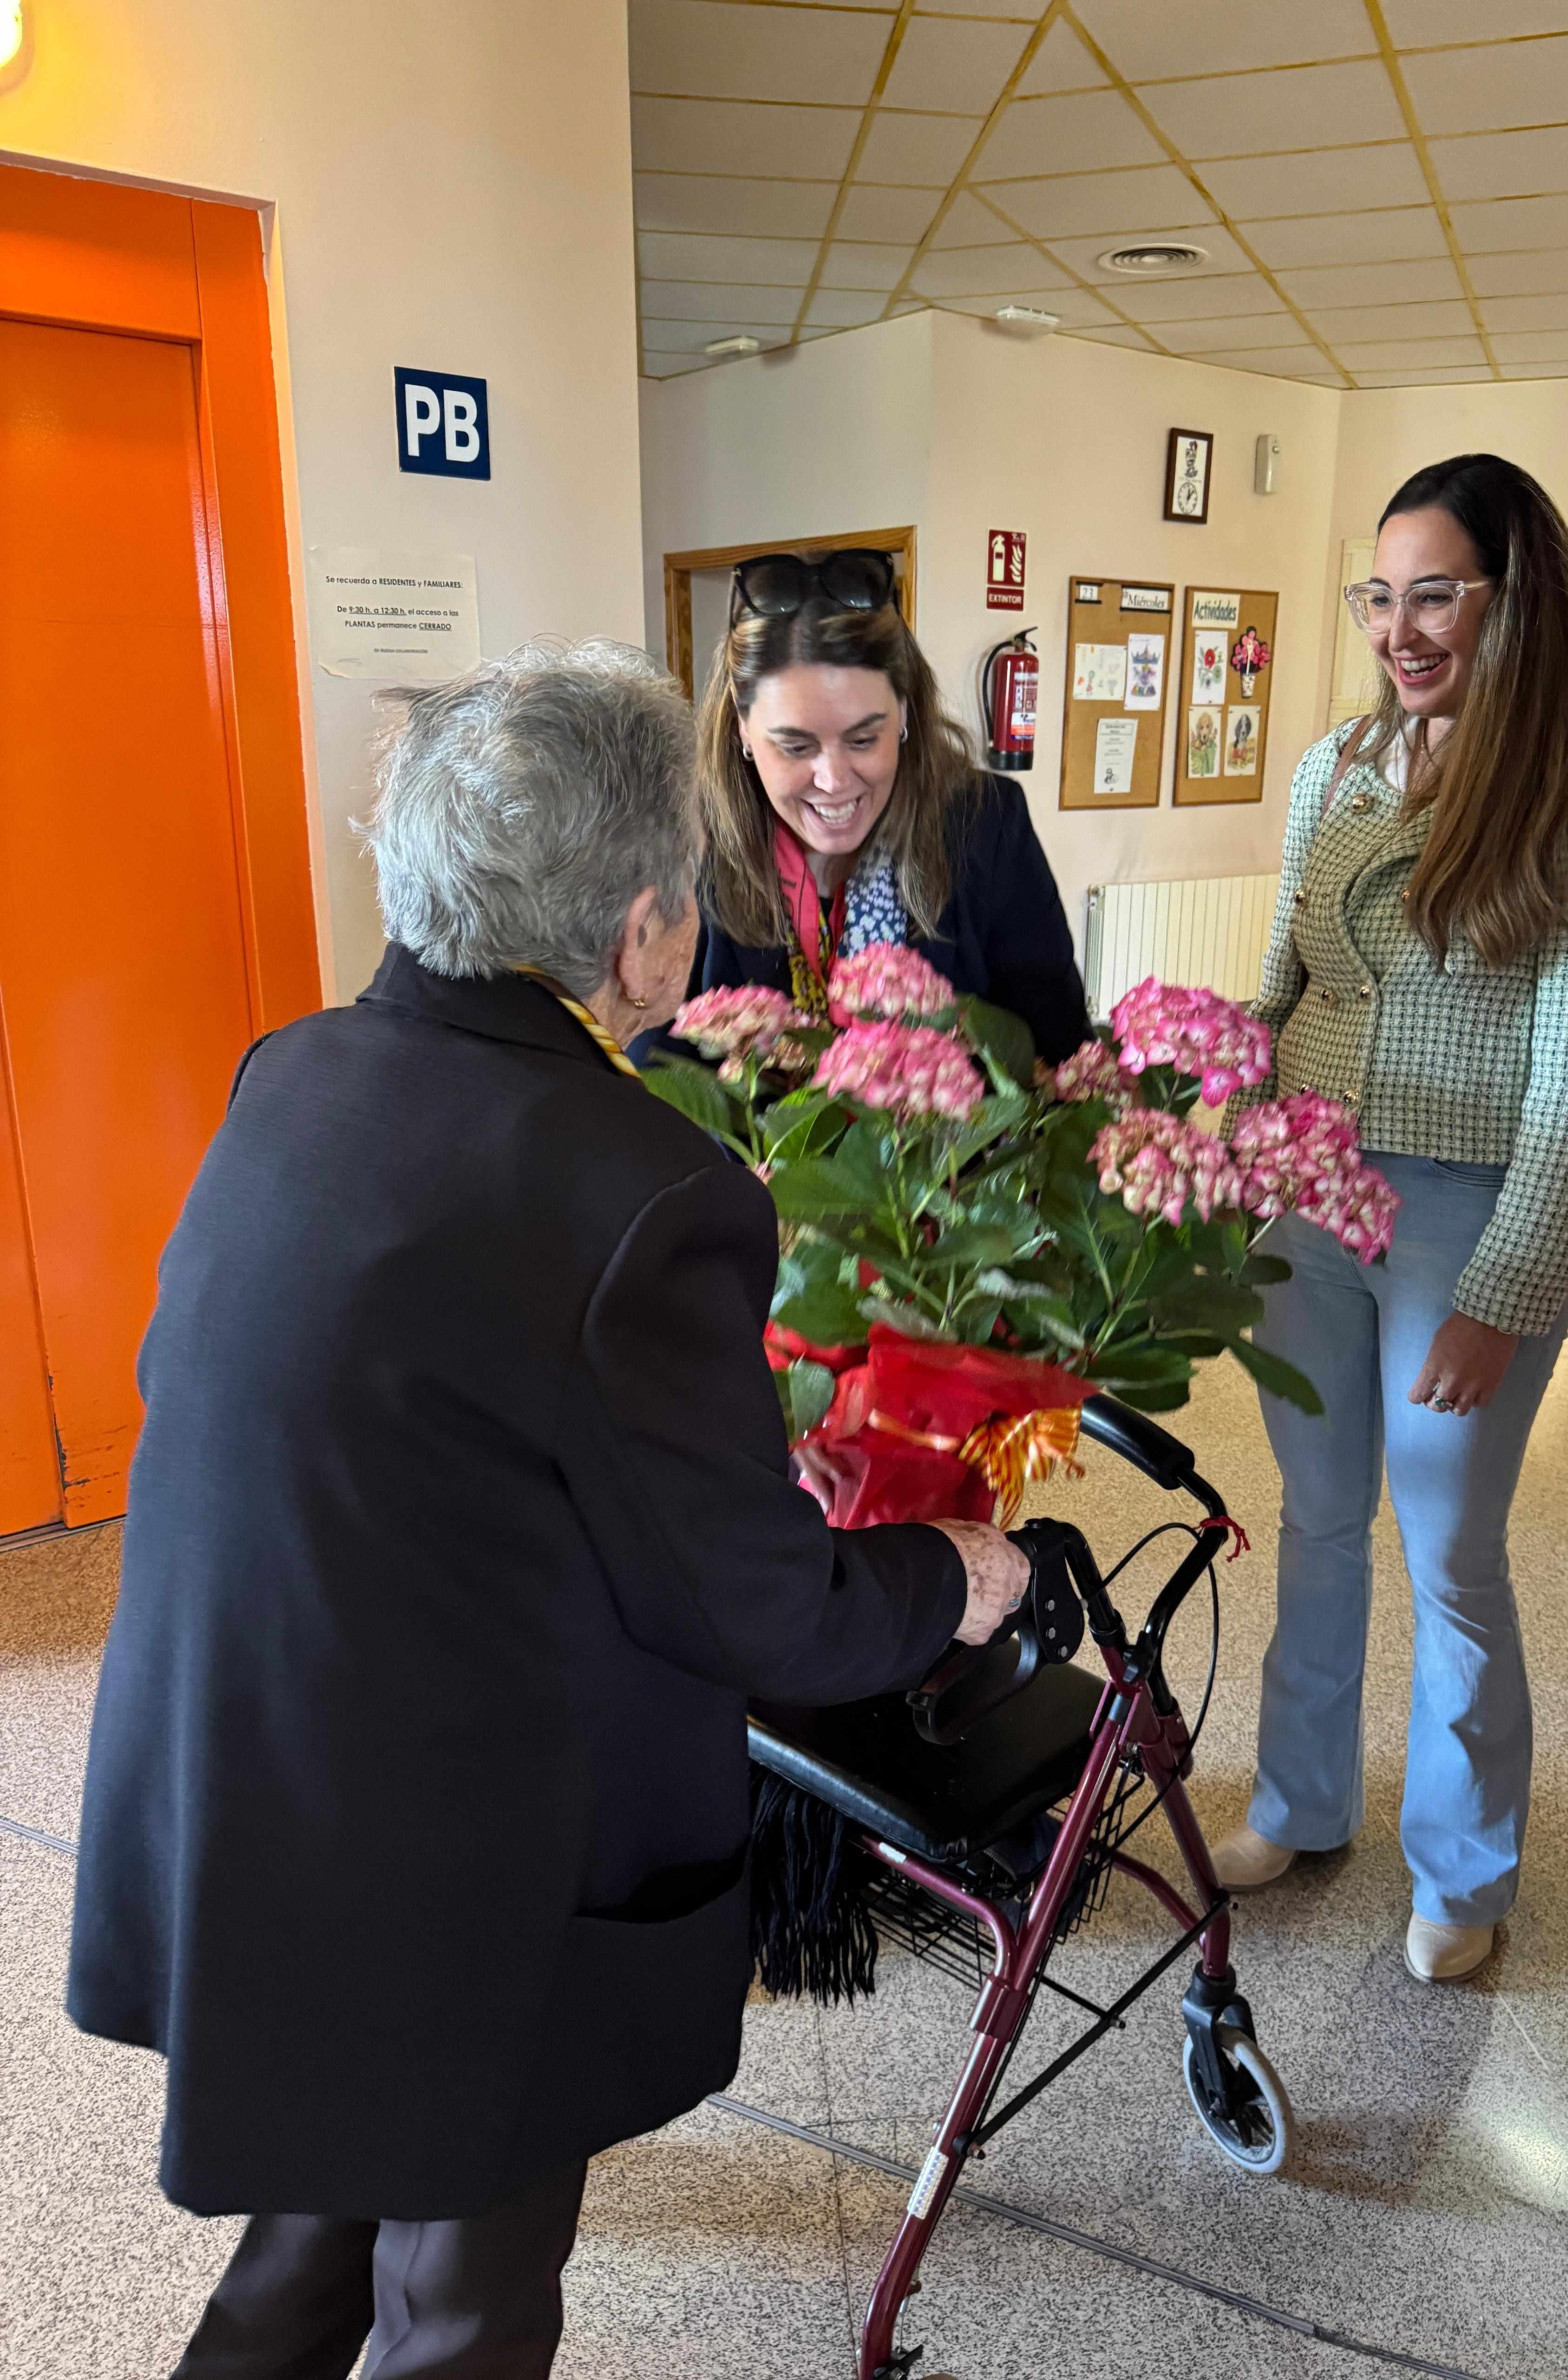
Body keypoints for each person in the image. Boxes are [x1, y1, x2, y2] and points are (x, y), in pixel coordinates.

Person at [66, 641, 1029, 2380]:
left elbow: (424, 1418)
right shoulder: (639, 1181)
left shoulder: (293, 1075)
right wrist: (945, 1575)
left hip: (260, 1763)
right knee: (465, 2294)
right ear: (646, 926)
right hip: (452, 1841)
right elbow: (757, 1612)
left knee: (319, 2215)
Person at [1212, 455, 1568, 1984]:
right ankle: (1301, 1801)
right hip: (1303, 1183)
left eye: (1437, 595)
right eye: (1383, 595)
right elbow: (1286, 961)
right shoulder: (1342, 760)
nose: (1402, 628)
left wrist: (1510, 1284)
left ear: (1513, 595)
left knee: (1452, 1546)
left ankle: (1465, 1873)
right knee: (1317, 1509)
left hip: (1464, 1213)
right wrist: (1209, 1100)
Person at [688, 547, 1089, 1062]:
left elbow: (1061, 1054)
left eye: (862, 740)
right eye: (795, 746)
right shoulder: (697, 847)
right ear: (743, 727)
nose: (833, 781)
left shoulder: (986, 827)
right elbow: (658, 1073)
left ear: (902, 712)